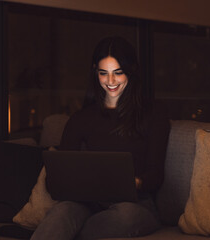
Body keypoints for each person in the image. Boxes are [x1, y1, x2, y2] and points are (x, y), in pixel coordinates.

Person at [30, 36, 170, 240]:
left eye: (118, 73)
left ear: (131, 71)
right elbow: (57, 178)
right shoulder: (81, 118)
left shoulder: (153, 115)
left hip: (135, 205)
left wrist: (136, 182)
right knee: (62, 212)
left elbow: (156, 175)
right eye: (103, 73)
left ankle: (72, 233)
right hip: (86, 203)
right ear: (95, 71)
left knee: (126, 217)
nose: (110, 82)